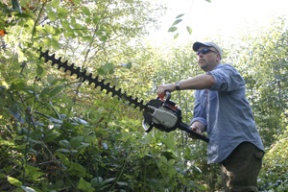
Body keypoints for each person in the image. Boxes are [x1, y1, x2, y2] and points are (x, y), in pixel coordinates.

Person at [156, 42, 265, 192]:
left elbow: (212, 80)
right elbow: (200, 117)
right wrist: (196, 127)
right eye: (198, 53)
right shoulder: (200, 91)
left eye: (205, 51)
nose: (200, 54)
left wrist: (175, 85)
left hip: (241, 145)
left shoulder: (227, 71)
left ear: (218, 57)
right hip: (224, 150)